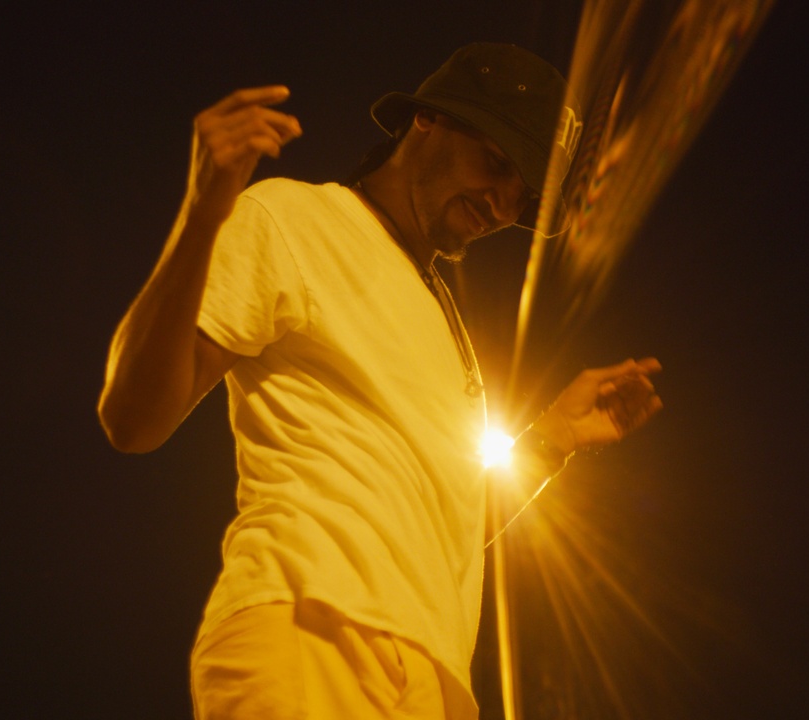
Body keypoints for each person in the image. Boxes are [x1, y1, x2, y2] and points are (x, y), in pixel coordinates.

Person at [98, 42, 662, 720]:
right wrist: (203, 213)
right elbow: (132, 420)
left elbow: (439, 524)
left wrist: (551, 440)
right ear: (428, 120)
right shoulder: (295, 218)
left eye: (523, 195)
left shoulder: (445, 322)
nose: (502, 203)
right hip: (311, 629)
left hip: (435, 680)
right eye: (497, 164)